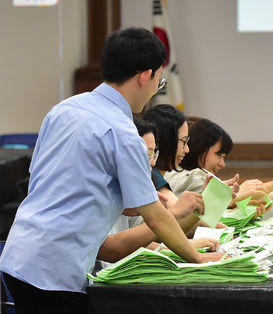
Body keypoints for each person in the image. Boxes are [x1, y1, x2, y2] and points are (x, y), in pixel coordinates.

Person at [0, 27, 221, 313]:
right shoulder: (124, 133)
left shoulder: (63, 110)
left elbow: (50, 182)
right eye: (159, 79)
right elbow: (154, 217)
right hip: (57, 272)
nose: (157, 87)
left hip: (19, 257)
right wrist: (197, 258)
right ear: (145, 75)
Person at [97, 119, 220, 264]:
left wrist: (184, 247)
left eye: (154, 153)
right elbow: (112, 248)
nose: (153, 162)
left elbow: (141, 240)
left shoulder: (134, 187)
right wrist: (171, 215)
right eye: (183, 142)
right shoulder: (100, 190)